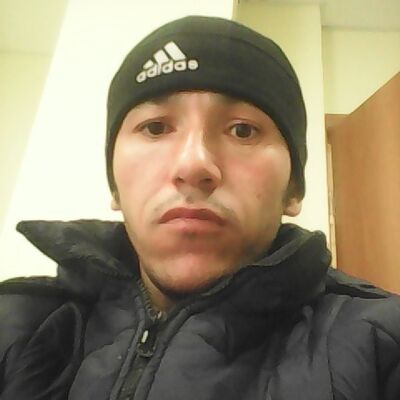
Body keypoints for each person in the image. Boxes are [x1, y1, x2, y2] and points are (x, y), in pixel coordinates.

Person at [0, 15, 399, 400]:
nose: (193, 165)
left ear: (293, 190)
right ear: (115, 187)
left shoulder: (382, 344)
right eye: (155, 127)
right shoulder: (14, 328)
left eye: (242, 130)